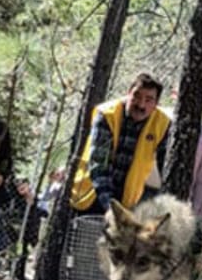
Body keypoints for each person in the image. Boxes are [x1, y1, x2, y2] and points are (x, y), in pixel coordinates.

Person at [69, 73, 171, 214]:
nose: (141, 104)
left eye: (148, 100)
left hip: (126, 202)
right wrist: (110, 207)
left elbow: (166, 167)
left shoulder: (163, 124)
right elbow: (99, 165)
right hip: (90, 196)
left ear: (156, 104)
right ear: (128, 94)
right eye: (136, 96)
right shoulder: (107, 114)